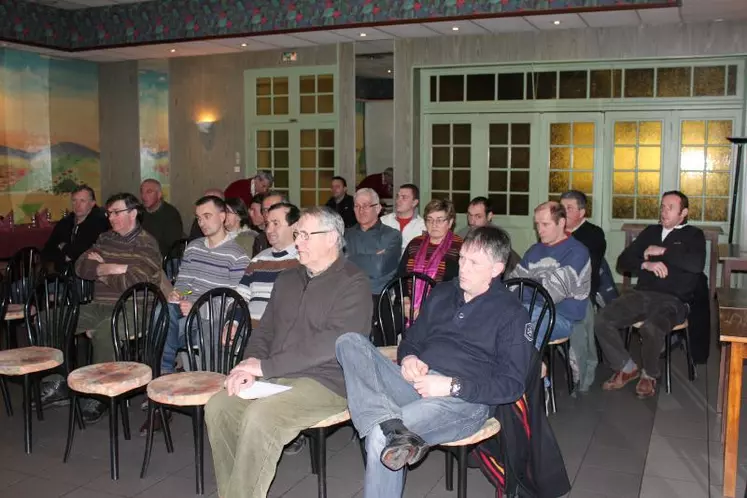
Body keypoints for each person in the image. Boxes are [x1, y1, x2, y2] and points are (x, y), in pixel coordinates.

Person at [335, 226, 534, 497]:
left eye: (474, 263)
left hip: (463, 402)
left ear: (496, 268)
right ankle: (390, 423)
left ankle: (388, 428)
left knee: (380, 438)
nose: (462, 267)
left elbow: (511, 386)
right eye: (462, 258)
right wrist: (409, 358)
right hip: (416, 383)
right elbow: (412, 340)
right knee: (349, 342)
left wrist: (452, 386)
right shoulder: (443, 293)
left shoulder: (512, 313)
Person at [204, 207, 372, 498]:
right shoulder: (288, 279)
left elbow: (331, 343)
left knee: (261, 416)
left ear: (332, 238)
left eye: (306, 235)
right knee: (220, 406)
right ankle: (232, 493)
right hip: (277, 373)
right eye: (297, 234)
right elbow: (265, 329)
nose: (298, 242)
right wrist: (248, 365)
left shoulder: (353, 282)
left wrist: (266, 368)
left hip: (327, 381)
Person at [596, 191, 705, 398]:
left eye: (670, 208)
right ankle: (626, 367)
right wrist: (645, 263)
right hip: (642, 294)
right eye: (662, 206)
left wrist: (662, 251)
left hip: (674, 300)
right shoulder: (651, 232)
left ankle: (649, 374)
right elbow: (623, 262)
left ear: (683, 213)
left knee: (652, 327)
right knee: (602, 319)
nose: (664, 211)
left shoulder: (694, 236)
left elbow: (696, 265)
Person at [74, 193, 172, 423]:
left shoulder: (147, 244)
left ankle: (100, 396)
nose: (111, 218)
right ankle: (55, 382)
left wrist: (102, 267)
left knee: (105, 331)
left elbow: (135, 281)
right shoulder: (105, 238)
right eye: (109, 213)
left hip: (133, 308)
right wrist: (114, 268)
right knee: (51, 319)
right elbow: (80, 265)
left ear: (133, 213)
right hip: (100, 304)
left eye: (116, 212)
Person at [160, 196, 250, 379]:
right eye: (199, 218)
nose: (201, 222)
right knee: (161, 312)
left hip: (210, 316)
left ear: (223, 216)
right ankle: (165, 372)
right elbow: (185, 285)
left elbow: (234, 300)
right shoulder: (194, 247)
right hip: (186, 309)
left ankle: (164, 374)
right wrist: (178, 294)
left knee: (163, 330)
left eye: (207, 216)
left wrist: (197, 307)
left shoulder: (237, 256)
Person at [510, 201, 591, 346]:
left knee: (524, 331)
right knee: (493, 322)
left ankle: (532, 367)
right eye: (537, 225)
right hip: (527, 309)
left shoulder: (577, 252)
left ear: (561, 222)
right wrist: (536, 285)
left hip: (561, 317)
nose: (539, 230)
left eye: (545, 224)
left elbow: (551, 293)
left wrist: (527, 286)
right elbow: (512, 285)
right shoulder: (534, 250)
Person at [560, 190, 607, 393]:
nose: (563, 212)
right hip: (555, 291)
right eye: (560, 208)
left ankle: (582, 371)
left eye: (568, 208)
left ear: (582, 212)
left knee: (578, 316)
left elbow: (584, 269)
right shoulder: (554, 231)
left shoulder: (593, 234)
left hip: (582, 292)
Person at [345, 188, 402, 296]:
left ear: (378, 208)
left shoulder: (392, 235)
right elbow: (337, 266)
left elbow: (378, 268)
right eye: (357, 206)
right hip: (348, 295)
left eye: (366, 206)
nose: (361, 210)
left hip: (377, 297)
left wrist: (349, 258)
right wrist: (372, 258)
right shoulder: (346, 235)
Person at [41, 184, 109, 273]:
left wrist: (62, 246)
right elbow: (47, 249)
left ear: (92, 203)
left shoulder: (99, 222)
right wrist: (64, 256)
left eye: (82, 201)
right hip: (61, 273)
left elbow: (79, 251)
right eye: (74, 201)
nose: (77, 205)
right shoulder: (66, 222)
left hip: (86, 276)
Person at [399, 198, 462, 285]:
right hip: (410, 297)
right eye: (429, 220)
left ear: (450, 222)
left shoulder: (459, 246)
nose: (434, 224)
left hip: (444, 298)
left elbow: (459, 282)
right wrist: (405, 296)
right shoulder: (415, 243)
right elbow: (400, 275)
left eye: (439, 220)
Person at [140, 179, 184, 257]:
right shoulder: (138, 211)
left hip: (160, 259)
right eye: (142, 192)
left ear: (159, 194)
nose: (143, 196)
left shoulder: (171, 215)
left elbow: (172, 247)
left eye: (149, 192)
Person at [381, 184, 426, 253]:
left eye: (404, 197)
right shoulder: (383, 221)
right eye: (397, 196)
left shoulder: (423, 226)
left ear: (414, 202)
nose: (398, 200)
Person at [252, 191, 286, 256]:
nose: (268, 214)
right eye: (265, 210)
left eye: (273, 208)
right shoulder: (260, 239)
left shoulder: (298, 236)